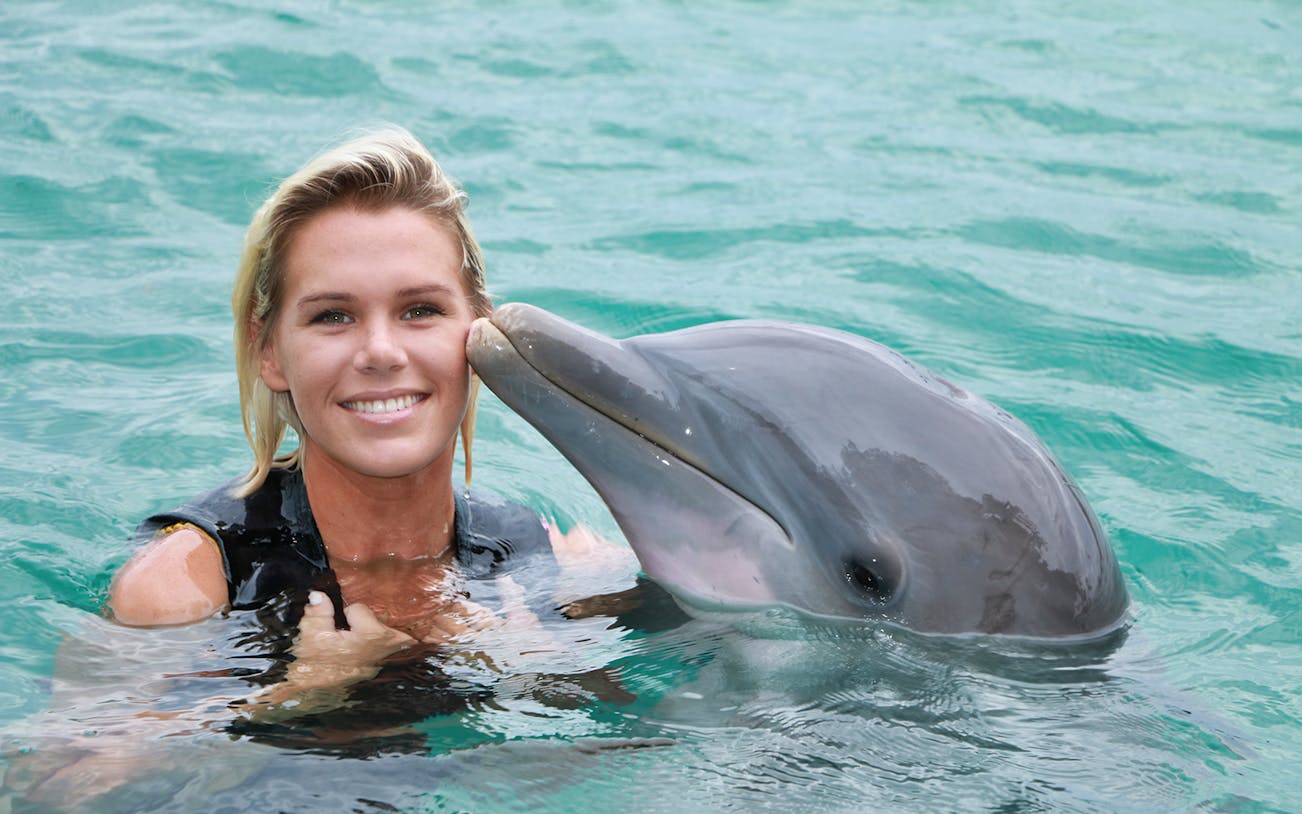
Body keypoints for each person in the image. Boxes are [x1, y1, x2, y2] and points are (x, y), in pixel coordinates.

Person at [107, 127, 603, 706]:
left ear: (478, 335)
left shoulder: (555, 566)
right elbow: (67, 789)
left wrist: (547, 677)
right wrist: (300, 697)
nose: (381, 353)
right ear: (269, 352)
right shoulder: (183, 586)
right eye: (333, 317)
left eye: (420, 310)